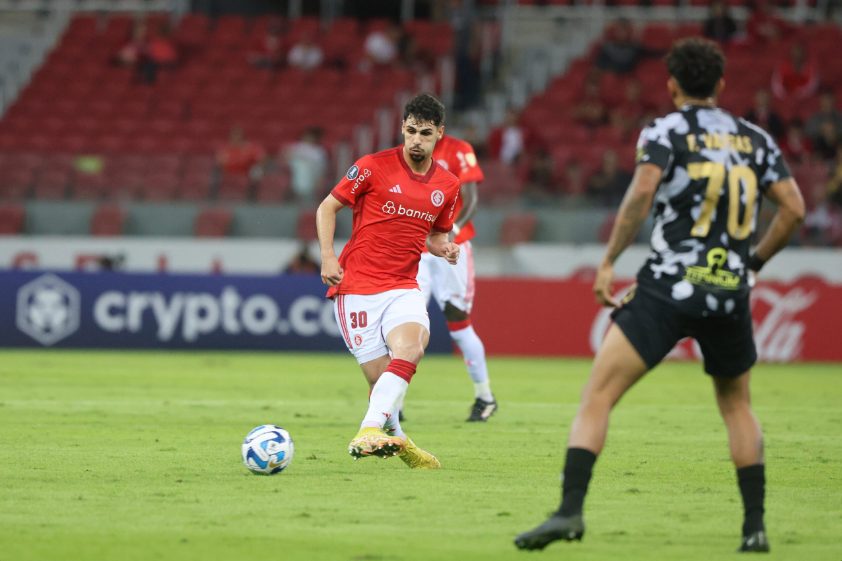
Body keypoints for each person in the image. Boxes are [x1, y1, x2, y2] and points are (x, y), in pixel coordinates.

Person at [515, 38, 804, 553]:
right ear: (720, 84)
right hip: (728, 292)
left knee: (598, 395)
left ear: (672, 86)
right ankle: (755, 528)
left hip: (669, 287)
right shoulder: (757, 139)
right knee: (737, 406)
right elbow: (794, 210)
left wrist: (609, 260)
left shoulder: (666, 131)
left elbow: (643, 192)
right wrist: (752, 264)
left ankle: (569, 511)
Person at [315, 94, 461, 468]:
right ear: (402, 129)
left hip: (403, 286)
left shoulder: (447, 185)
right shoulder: (371, 166)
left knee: (412, 347)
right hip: (357, 287)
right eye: (411, 131)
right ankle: (399, 439)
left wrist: (444, 248)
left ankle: (367, 430)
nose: (416, 140)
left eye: (425, 133)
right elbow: (327, 207)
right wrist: (328, 256)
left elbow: (435, 235)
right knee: (381, 380)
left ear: (439, 134)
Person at [416, 133, 497, 421]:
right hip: (416, 248)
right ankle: (393, 407)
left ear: (439, 128)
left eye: (427, 128)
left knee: (457, 318)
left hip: (452, 245)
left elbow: (471, 199)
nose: (419, 134)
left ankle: (485, 397)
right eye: (414, 127)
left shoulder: (459, 150)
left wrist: (454, 231)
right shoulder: (405, 153)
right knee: (404, 320)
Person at [285, 127, 328, 205]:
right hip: (294, 178)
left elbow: (321, 169)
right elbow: (285, 158)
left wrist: (320, 182)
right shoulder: (296, 147)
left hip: (312, 179)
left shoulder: (319, 151)